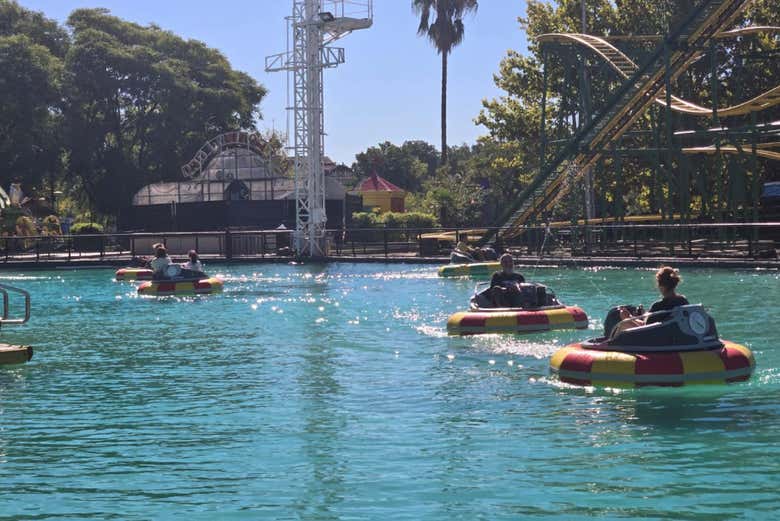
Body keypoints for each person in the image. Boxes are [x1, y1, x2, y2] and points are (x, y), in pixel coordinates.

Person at [614, 266, 689, 335]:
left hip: (657, 340)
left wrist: (628, 317)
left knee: (623, 324)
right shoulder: (683, 301)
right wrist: (645, 315)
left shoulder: (658, 306)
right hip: (676, 337)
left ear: (661, 286)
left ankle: (609, 345)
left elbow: (646, 327)